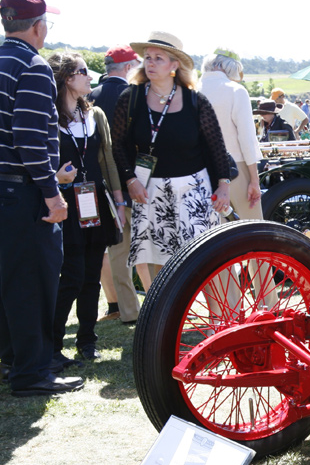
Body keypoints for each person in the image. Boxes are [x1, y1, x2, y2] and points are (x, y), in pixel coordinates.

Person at [0, 0, 84, 396]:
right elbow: (30, 139)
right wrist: (53, 196)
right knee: (32, 285)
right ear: (37, 26)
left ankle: (13, 362)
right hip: (22, 195)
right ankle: (30, 373)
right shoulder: (32, 66)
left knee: (7, 282)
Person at [111, 31, 235, 281]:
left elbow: (217, 147)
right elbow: (118, 145)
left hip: (195, 189)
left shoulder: (195, 101)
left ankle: (216, 318)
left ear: (174, 65)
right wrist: (130, 180)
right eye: (147, 57)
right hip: (151, 191)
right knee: (163, 265)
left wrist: (223, 186)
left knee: (204, 262)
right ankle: (166, 319)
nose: (151, 63)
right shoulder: (130, 98)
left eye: (159, 58)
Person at [47, 52, 123, 364]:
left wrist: (118, 200)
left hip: (96, 202)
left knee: (92, 275)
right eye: (82, 72)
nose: (90, 77)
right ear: (67, 78)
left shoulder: (96, 115)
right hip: (66, 204)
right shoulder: (49, 116)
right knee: (73, 275)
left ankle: (87, 341)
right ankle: (51, 345)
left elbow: (107, 159)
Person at [88, 43, 142, 324]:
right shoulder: (134, 93)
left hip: (105, 186)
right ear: (128, 67)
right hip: (138, 181)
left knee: (118, 252)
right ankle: (160, 309)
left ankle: (129, 310)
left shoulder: (90, 95)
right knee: (151, 249)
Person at [197, 49, 263, 218]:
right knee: (251, 229)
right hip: (235, 167)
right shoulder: (236, 90)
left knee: (213, 234)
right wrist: (254, 180)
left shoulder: (191, 90)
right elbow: (246, 138)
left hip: (200, 169)